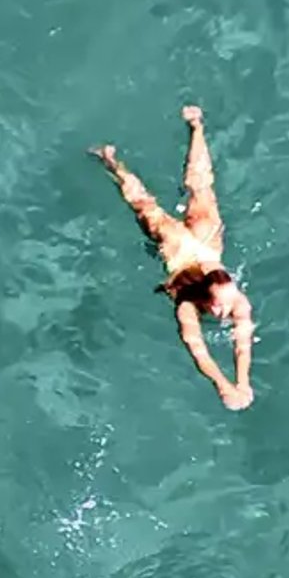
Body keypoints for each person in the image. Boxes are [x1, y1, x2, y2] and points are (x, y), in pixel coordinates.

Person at [91, 104, 255, 411]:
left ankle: (197, 126)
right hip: (176, 247)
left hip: (207, 243)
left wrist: (242, 382)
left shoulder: (236, 301)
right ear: (205, 294)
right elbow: (198, 349)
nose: (224, 312)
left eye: (227, 304)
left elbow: (243, 341)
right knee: (144, 204)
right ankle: (109, 159)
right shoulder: (187, 305)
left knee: (202, 187)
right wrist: (223, 385)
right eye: (219, 305)